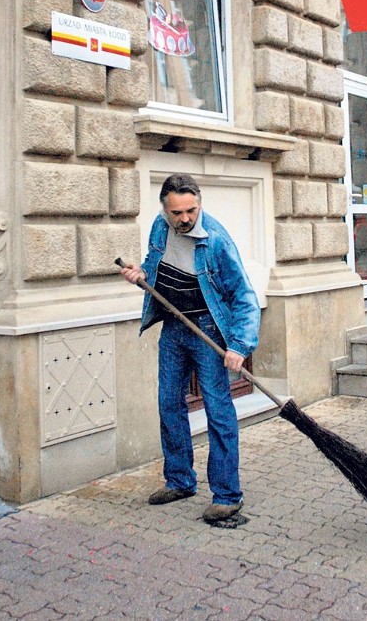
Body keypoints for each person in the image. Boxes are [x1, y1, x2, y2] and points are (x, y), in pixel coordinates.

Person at [120, 173, 261, 524]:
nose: (185, 219)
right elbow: (158, 271)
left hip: (208, 330)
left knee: (218, 411)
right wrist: (141, 276)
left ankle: (228, 495)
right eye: (177, 212)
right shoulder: (159, 226)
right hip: (173, 327)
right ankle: (180, 480)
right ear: (165, 209)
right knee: (169, 403)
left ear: (199, 203)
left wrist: (240, 346)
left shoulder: (215, 240)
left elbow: (245, 297)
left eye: (191, 211)